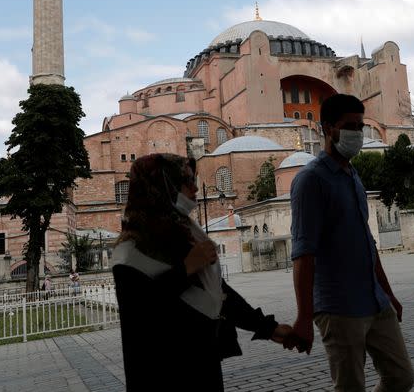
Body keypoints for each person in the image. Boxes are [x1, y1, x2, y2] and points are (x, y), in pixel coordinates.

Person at [112, 153, 297, 391]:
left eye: (194, 180)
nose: (194, 188)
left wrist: (267, 328)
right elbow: (141, 316)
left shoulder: (184, 234)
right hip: (161, 374)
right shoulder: (131, 251)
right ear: (161, 187)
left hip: (203, 364)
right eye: (186, 181)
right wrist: (186, 268)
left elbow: (218, 293)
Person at [290, 94, 414, 392]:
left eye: (360, 126)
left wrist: (388, 293)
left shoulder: (352, 175)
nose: (358, 134)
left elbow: (367, 242)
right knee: (350, 386)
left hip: (374, 300)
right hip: (338, 307)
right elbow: (303, 254)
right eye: (350, 126)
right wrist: (304, 318)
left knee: (401, 377)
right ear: (328, 128)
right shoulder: (311, 180)